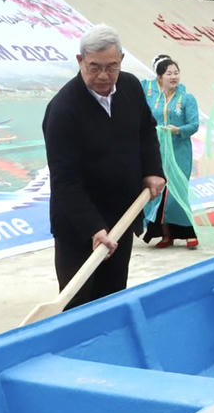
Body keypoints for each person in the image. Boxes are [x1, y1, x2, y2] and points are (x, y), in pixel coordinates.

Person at [42, 25, 164, 309]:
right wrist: (94, 228)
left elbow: (146, 131)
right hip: (79, 225)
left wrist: (152, 169)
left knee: (112, 296)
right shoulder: (63, 110)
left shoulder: (131, 87)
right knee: (79, 302)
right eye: (94, 67)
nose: (103, 76)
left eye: (111, 67)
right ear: (80, 61)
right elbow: (65, 180)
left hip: (121, 216)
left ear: (121, 60)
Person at [141, 57, 200, 248]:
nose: (174, 77)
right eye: (169, 73)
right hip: (158, 152)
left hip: (179, 152)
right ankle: (167, 235)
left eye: (176, 73)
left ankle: (189, 233)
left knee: (177, 193)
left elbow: (194, 124)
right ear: (159, 77)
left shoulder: (187, 98)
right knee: (160, 193)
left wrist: (178, 130)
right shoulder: (154, 99)